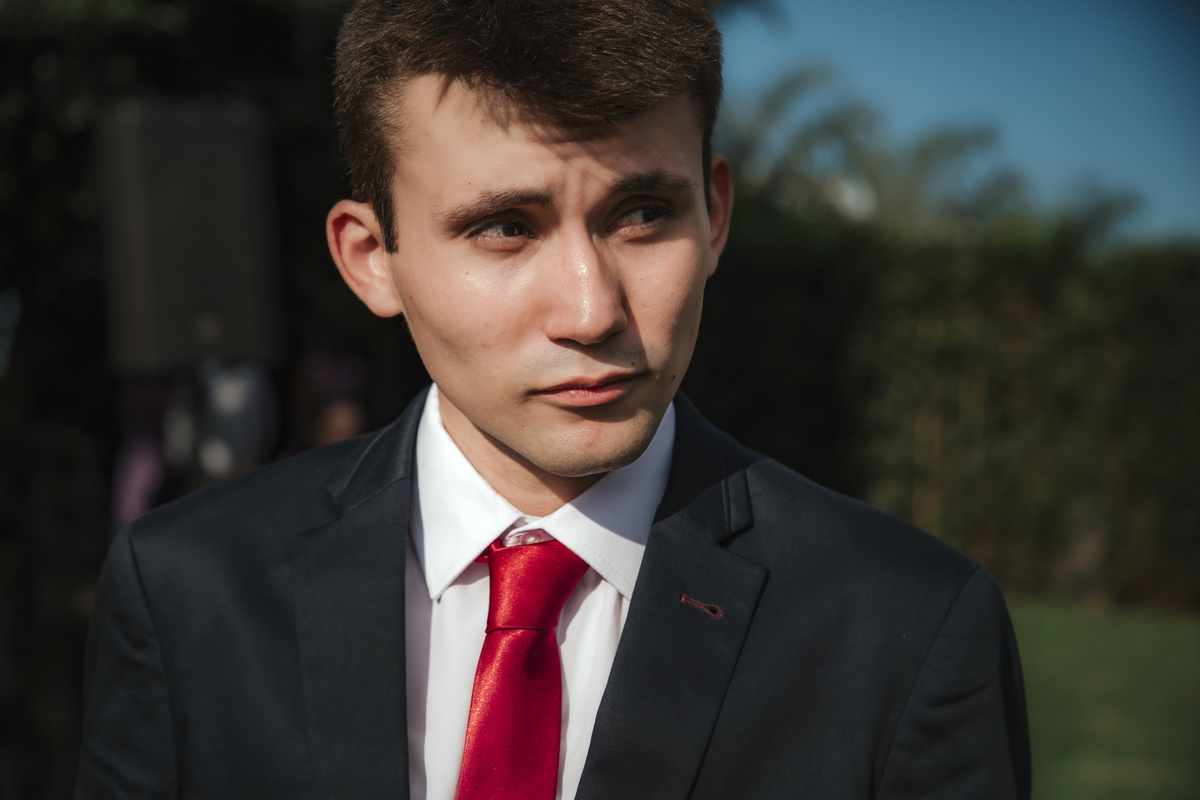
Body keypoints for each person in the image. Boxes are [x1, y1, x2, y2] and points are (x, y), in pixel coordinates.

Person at [75, 1, 1031, 798]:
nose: (591, 309)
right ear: (372, 259)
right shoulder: (187, 592)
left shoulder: (908, 628)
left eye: (643, 214)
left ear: (716, 214)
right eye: (504, 227)